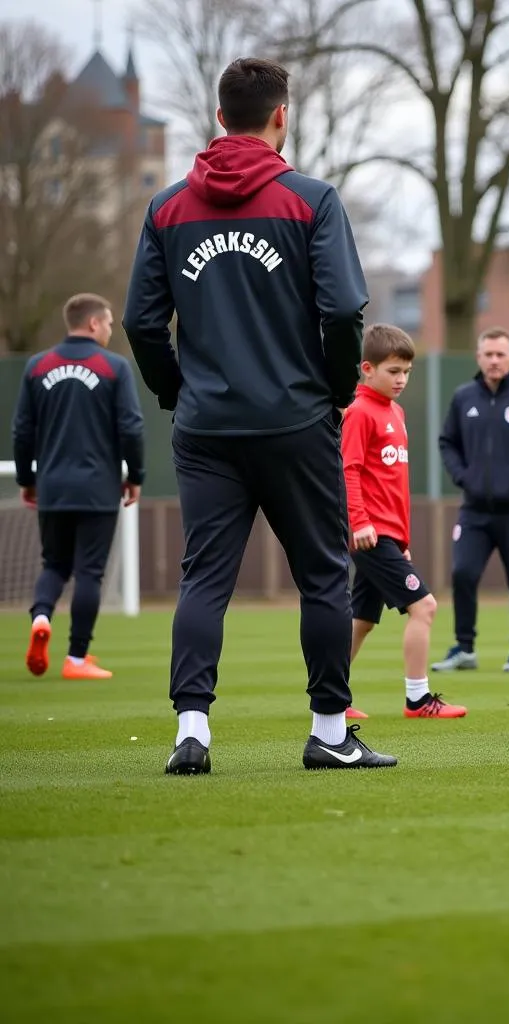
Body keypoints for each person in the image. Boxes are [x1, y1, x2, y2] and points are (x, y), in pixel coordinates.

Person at [123, 57, 396, 774]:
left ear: (220, 119)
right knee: (321, 574)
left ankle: (192, 731)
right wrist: (337, 388)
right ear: (282, 115)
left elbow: (140, 323)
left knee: (204, 579)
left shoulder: (167, 207)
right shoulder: (312, 200)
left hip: (206, 428)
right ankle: (331, 734)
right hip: (295, 422)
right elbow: (341, 309)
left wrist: (175, 391)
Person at [12, 293, 145, 681]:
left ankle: (41, 618)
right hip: (98, 487)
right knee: (90, 572)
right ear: (92, 324)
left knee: (54, 564)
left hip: (52, 486)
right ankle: (76, 659)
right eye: (106, 323)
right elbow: (132, 428)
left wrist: (27, 479)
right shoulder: (114, 367)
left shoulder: (38, 366)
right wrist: (134, 476)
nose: (108, 329)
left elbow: (22, 430)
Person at [342, 324, 466, 719]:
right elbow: (350, 470)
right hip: (369, 534)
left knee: (361, 620)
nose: (401, 379)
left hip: (387, 536)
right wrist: (360, 522)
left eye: (407, 372)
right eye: (393, 371)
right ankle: (418, 699)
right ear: (367, 368)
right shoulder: (360, 412)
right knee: (424, 606)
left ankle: (331, 696)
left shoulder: (395, 411)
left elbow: (392, 483)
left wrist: (401, 538)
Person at [433, 327, 509, 674]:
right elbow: (447, 442)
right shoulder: (463, 398)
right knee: (462, 573)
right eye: (488, 354)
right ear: (479, 357)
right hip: (474, 509)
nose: (494, 360)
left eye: (500, 354)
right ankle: (464, 648)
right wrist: (463, 477)